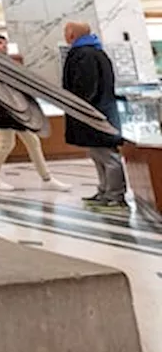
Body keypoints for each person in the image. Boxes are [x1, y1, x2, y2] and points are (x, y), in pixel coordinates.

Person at [0, 34, 69, 192]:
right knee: (13, 143)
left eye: (5, 43)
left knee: (17, 143)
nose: (4, 46)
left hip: (13, 108)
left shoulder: (6, 62)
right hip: (6, 109)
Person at [61, 22, 128, 211]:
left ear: (72, 34)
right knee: (97, 154)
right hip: (99, 111)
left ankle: (115, 195)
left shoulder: (85, 54)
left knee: (106, 155)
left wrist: (81, 109)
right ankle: (105, 191)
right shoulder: (93, 51)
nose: (65, 35)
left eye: (66, 31)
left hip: (94, 114)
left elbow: (86, 86)